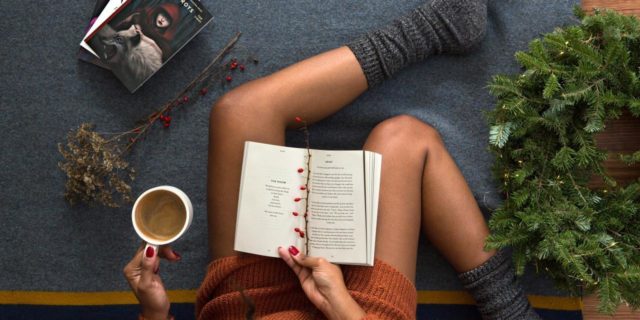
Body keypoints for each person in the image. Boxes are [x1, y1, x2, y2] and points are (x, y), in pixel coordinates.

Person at [124, 0, 542, 319]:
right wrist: (344, 308)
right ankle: (508, 308)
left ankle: (432, 30)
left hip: (249, 303)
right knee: (405, 138)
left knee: (239, 113)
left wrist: (154, 312)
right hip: (354, 311)